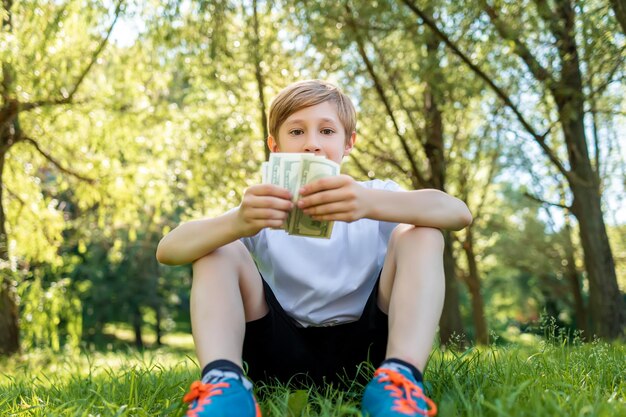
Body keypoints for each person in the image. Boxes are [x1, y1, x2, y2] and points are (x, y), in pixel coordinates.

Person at [156, 79, 472, 417]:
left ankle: (400, 379)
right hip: (279, 351)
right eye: (296, 132)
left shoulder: (374, 194)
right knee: (218, 247)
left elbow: (458, 214)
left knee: (422, 233)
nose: (311, 144)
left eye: (326, 131)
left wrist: (369, 203)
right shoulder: (261, 207)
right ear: (273, 145)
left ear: (348, 142)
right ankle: (225, 386)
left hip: (370, 350)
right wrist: (236, 223)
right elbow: (169, 250)